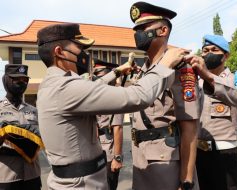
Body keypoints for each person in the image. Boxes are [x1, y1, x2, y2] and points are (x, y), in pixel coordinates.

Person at [36, 23, 187, 189]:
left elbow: (90, 90)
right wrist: (164, 65)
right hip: (82, 184)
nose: (84, 54)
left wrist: (116, 72)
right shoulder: (66, 87)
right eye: (79, 47)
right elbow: (136, 97)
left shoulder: (53, 84)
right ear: (59, 52)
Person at [129, 2, 200, 190]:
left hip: (165, 163)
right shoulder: (143, 71)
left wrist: (186, 180)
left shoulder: (180, 68)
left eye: (144, 28)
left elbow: (189, 129)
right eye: (136, 29)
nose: (138, 33)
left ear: (162, 30)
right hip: (140, 159)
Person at [186, 34, 237, 190]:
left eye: (214, 50)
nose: (208, 53)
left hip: (224, 154)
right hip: (197, 153)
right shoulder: (195, 81)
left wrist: (208, 76)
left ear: (226, 55)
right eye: (205, 50)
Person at [0, 64, 41, 190]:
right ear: (6, 80)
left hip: (32, 174)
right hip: (7, 174)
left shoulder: (34, 111)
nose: (21, 82)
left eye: (25, 80)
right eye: (16, 79)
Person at [93, 64, 124, 190]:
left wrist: (117, 158)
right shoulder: (95, 98)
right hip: (95, 150)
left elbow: (118, 128)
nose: (97, 80)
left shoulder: (115, 98)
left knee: (109, 186)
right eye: (96, 77)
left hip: (109, 151)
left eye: (100, 77)